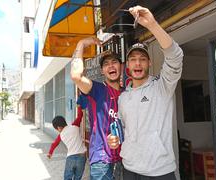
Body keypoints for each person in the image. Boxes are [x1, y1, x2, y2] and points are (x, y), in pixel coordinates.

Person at [107, 5, 184, 180]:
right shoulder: (124, 97)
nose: (138, 64)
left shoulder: (162, 87)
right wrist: (115, 138)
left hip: (160, 171)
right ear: (127, 66)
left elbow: (176, 57)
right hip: (129, 168)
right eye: (133, 60)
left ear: (149, 63)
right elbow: (124, 128)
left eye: (142, 59)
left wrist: (152, 25)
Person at [70, 37, 123, 179]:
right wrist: (81, 43)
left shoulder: (128, 93)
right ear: (102, 71)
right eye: (106, 64)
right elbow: (76, 76)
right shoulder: (96, 89)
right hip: (102, 160)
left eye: (114, 62)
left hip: (125, 158)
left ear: (121, 66)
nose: (111, 66)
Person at [47, 95, 87, 180]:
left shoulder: (61, 135)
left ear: (58, 128)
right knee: (78, 177)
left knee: (67, 177)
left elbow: (54, 144)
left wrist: (50, 153)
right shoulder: (74, 126)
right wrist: (79, 106)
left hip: (71, 158)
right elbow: (80, 115)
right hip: (82, 156)